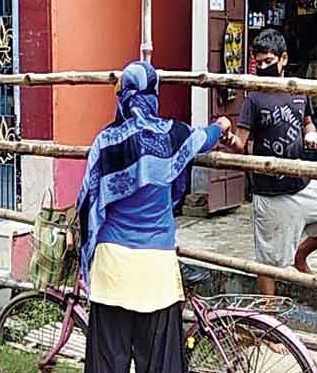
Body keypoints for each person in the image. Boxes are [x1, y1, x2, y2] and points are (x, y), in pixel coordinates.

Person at [75, 61, 230, 373]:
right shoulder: (172, 135)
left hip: (112, 269)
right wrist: (222, 126)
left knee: (108, 364)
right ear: (154, 95)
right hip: (156, 271)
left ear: (124, 96)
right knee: (159, 365)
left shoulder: (106, 142)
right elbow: (205, 136)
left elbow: (88, 202)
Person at [223, 30, 317, 295]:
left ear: (283, 59)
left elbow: (307, 121)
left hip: (302, 182)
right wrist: (226, 137)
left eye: (269, 61)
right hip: (270, 190)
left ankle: (299, 257)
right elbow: (241, 143)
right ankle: (268, 322)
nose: (264, 67)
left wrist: (311, 134)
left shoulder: (298, 89)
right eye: (260, 63)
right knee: (268, 262)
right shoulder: (254, 98)